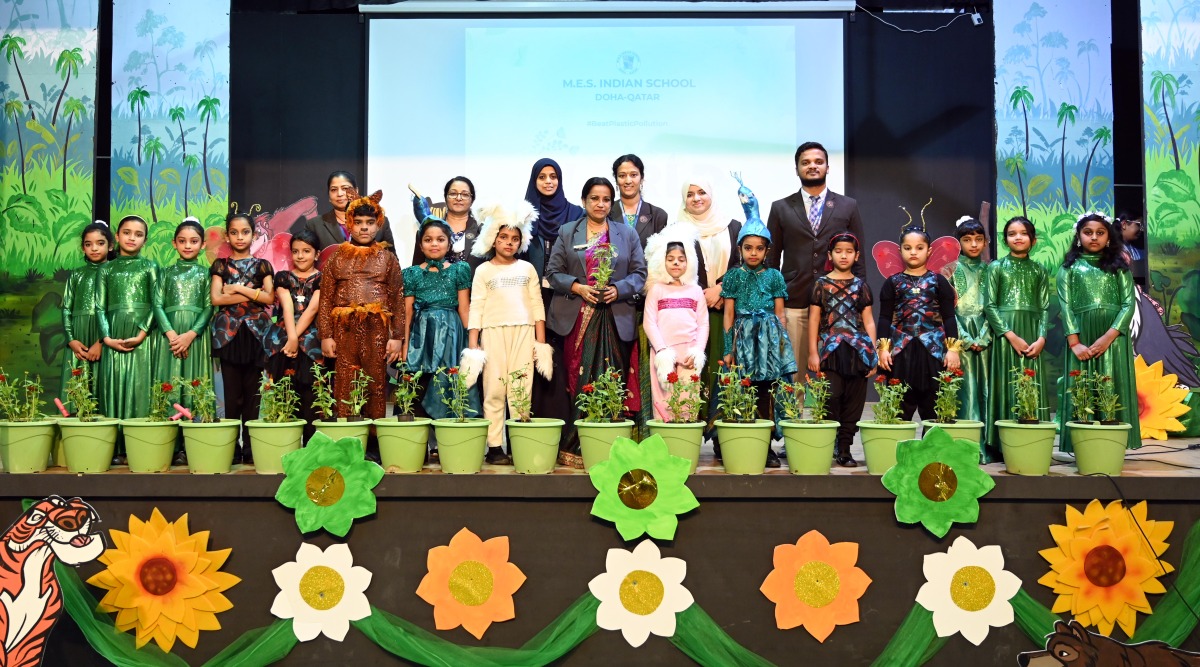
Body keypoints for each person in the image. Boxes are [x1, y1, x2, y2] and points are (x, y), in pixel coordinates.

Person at [546, 177, 646, 467]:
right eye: (594, 199)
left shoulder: (626, 233)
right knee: (579, 376)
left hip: (616, 317)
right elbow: (553, 272)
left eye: (605, 199)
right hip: (579, 317)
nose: (600, 204)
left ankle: (611, 445)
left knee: (613, 378)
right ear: (584, 201)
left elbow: (640, 273)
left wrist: (620, 289)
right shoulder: (567, 231)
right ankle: (576, 446)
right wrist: (578, 287)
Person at [766, 141, 866, 376]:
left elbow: (858, 257)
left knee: (836, 375)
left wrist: (860, 299)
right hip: (795, 300)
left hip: (839, 303)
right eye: (806, 162)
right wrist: (773, 302)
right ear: (797, 169)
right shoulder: (780, 207)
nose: (812, 166)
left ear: (828, 167)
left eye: (818, 162)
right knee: (793, 375)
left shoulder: (848, 205)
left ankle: (831, 415)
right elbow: (771, 260)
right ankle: (794, 415)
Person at [464, 203, 551, 465]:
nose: (509, 243)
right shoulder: (483, 270)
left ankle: (519, 441)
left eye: (515, 239)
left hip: (523, 333)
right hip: (492, 334)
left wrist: (541, 342)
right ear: (493, 238)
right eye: (503, 237)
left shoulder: (526, 270)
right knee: (493, 389)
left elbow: (537, 305)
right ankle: (494, 447)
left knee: (521, 388)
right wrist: (473, 344)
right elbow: (476, 306)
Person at [317, 190, 405, 424]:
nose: (364, 228)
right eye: (358, 223)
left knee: (375, 381)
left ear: (378, 225)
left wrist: (397, 336)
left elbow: (397, 297)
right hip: (344, 329)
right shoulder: (337, 258)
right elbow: (325, 298)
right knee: (345, 380)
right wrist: (325, 335)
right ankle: (348, 434)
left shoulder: (388, 259)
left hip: (377, 328)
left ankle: (374, 440)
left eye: (369, 223)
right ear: (349, 224)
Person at [1057, 212, 1141, 451]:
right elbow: (1066, 306)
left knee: (1111, 383)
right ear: (1078, 236)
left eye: (1100, 233)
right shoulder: (1069, 268)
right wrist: (1075, 343)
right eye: (1088, 232)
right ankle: (1082, 446)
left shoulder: (1120, 268)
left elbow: (1128, 304)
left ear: (1109, 238)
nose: (1094, 237)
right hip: (1082, 336)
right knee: (1082, 386)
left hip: (1112, 338)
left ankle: (1111, 447)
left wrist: (1109, 336)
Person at [720, 218, 797, 468]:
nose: (754, 253)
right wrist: (727, 349)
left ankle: (766, 447)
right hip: (743, 339)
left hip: (769, 340)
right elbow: (729, 314)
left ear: (767, 250)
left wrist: (782, 346)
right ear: (739, 249)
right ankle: (746, 442)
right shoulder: (733, 276)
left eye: (759, 248)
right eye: (748, 247)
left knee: (768, 392)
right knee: (744, 388)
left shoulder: (774, 276)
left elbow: (780, 314)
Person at [401, 216, 480, 455]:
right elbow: (406, 311)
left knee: (450, 380)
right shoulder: (412, 273)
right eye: (428, 240)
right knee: (420, 383)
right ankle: (420, 445)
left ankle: (449, 443)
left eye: (440, 239)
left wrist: (473, 343)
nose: (434, 244)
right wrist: (405, 344)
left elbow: (464, 308)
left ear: (448, 243)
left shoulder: (459, 270)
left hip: (451, 333)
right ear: (421, 244)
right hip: (421, 335)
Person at [525, 158, 585, 448]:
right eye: (542, 177)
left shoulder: (575, 213)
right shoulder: (523, 214)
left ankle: (564, 437)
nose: (548, 182)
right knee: (532, 363)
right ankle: (531, 432)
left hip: (567, 297)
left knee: (562, 362)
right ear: (534, 181)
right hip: (529, 300)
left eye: (553, 177)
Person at [876, 224, 962, 422]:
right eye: (908, 248)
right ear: (900, 251)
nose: (913, 252)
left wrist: (953, 349)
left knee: (934, 408)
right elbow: (884, 318)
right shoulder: (892, 282)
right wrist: (883, 348)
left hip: (932, 351)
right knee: (898, 408)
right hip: (900, 351)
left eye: (919, 248)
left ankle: (931, 452)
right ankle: (898, 451)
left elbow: (949, 316)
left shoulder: (939, 281)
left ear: (929, 250)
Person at [609, 154, 669, 436]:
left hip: (647, 300)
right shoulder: (606, 212)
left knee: (644, 366)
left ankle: (645, 430)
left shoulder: (658, 215)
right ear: (615, 179)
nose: (628, 180)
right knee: (617, 362)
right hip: (613, 299)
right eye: (622, 175)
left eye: (633, 174)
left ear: (641, 178)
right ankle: (616, 427)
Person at [674, 177, 742, 425]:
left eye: (702, 192)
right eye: (690, 194)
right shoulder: (676, 229)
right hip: (691, 313)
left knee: (724, 367)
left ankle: (722, 433)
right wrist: (702, 294)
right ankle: (691, 428)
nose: (696, 198)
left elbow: (742, 262)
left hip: (727, 309)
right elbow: (673, 265)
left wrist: (722, 288)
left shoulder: (733, 226)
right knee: (693, 369)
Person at [210, 212, 275, 463]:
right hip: (228, 334)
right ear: (227, 235)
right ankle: (231, 448)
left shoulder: (262, 265)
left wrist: (236, 289)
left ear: (254, 234)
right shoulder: (220, 265)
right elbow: (217, 299)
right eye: (234, 232)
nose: (240, 237)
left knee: (252, 395)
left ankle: (249, 448)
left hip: (257, 335)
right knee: (232, 396)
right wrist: (253, 294)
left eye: (245, 232)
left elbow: (270, 298)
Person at [808, 232, 877, 467]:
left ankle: (845, 447)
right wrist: (812, 352)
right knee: (832, 396)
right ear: (830, 255)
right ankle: (832, 443)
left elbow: (868, 321)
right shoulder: (821, 285)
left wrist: (872, 352)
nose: (844, 255)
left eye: (849, 251)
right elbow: (814, 320)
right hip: (830, 349)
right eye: (838, 251)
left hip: (858, 349)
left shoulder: (861, 286)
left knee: (854, 399)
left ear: (856, 255)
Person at [97, 216, 159, 462]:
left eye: (138, 234)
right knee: (113, 384)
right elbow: (100, 308)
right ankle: (115, 448)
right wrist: (107, 338)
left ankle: (139, 447)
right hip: (114, 331)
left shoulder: (150, 267)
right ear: (117, 236)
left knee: (139, 386)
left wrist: (142, 332)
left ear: (145, 239)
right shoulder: (106, 269)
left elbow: (157, 304)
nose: (132, 238)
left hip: (142, 335)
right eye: (127, 232)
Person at [983, 216, 1050, 443]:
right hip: (1006, 334)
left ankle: (1031, 442)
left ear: (1033, 239)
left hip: (1032, 333)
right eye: (1012, 234)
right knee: (1006, 382)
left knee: (1030, 383)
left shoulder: (1039, 270)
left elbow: (1044, 308)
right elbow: (990, 306)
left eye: (1023, 233)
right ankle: (1002, 444)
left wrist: (1041, 338)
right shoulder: (996, 267)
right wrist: (1010, 335)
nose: (1018, 237)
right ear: (1005, 239)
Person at [153, 218, 214, 431]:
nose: (188, 245)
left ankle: (194, 440)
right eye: (182, 241)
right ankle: (170, 440)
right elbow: (157, 305)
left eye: (194, 241)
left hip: (195, 336)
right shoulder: (165, 273)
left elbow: (209, 307)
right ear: (174, 243)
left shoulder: (207, 274)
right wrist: (172, 335)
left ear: (203, 244)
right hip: (169, 337)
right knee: (169, 381)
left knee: (195, 382)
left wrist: (190, 334)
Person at [642, 226, 707, 422]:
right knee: (664, 400)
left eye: (681, 259)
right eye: (670, 259)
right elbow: (649, 322)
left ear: (690, 261)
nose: (676, 263)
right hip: (664, 355)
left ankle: (685, 444)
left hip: (689, 354)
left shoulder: (695, 291)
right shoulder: (656, 290)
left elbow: (703, 323)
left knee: (688, 400)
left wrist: (697, 351)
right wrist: (662, 351)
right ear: (662, 262)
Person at [263, 229, 322, 441]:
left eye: (306, 251)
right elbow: (287, 307)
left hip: (312, 344)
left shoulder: (322, 279)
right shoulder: (283, 277)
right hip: (284, 342)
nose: (300, 256)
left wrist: (295, 339)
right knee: (286, 393)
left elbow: (312, 310)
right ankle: (286, 446)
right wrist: (291, 339)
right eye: (296, 251)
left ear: (316, 254)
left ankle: (312, 446)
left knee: (311, 397)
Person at [951, 216, 994, 461]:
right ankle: (966, 448)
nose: (974, 245)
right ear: (959, 242)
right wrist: (965, 337)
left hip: (986, 333)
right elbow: (949, 310)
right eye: (967, 240)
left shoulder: (991, 270)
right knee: (965, 390)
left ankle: (987, 445)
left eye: (978, 239)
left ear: (985, 242)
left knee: (986, 389)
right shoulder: (951, 270)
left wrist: (985, 335)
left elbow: (994, 306)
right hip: (961, 335)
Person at [61, 221, 112, 404]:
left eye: (100, 243)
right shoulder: (76, 275)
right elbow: (66, 308)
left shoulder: (113, 273)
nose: (94, 249)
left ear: (111, 245)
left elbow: (113, 311)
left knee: (101, 384)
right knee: (77, 384)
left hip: (103, 333)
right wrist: (71, 340)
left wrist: (101, 341)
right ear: (83, 248)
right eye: (88, 244)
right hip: (79, 333)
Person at [304, 170, 396, 254]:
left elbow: (393, 260)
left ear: (356, 191)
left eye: (345, 188)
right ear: (329, 196)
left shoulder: (381, 221)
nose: (339, 194)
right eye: (333, 190)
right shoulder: (314, 225)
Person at [411, 176, 484, 272]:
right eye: (453, 193)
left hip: (473, 286)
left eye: (465, 194)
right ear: (445, 197)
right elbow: (416, 270)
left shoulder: (483, 232)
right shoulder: (428, 230)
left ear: (472, 199)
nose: (458, 198)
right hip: (433, 286)